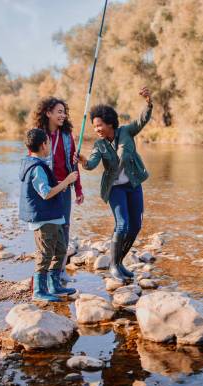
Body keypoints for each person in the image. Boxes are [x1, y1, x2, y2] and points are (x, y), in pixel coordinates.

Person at [75, 87, 153, 282]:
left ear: (110, 123)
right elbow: (92, 164)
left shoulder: (126, 131)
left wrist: (148, 103)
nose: (97, 130)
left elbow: (142, 120)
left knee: (135, 226)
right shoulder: (99, 145)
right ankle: (113, 265)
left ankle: (119, 262)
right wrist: (83, 161)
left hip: (133, 184)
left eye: (99, 125)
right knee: (123, 225)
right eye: (94, 127)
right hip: (115, 188)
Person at [19, 128, 78, 301]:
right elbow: (45, 193)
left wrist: (60, 183)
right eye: (49, 142)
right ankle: (39, 290)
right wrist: (67, 181)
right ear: (43, 145)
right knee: (45, 255)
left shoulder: (37, 164)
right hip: (44, 219)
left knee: (60, 250)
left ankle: (54, 285)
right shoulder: (36, 167)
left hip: (53, 217)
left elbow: (44, 187)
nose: (50, 145)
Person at [32, 97, 84, 283]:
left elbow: (73, 163)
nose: (63, 115)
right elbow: (32, 165)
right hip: (48, 191)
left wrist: (78, 189)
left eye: (64, 112)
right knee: (48, 232)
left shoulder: (67, 135)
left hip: (64, 190)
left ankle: (59, 271)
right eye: (59, 112)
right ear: (48, 113)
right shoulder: (39, 136)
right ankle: (42, 274)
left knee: (64, 229)